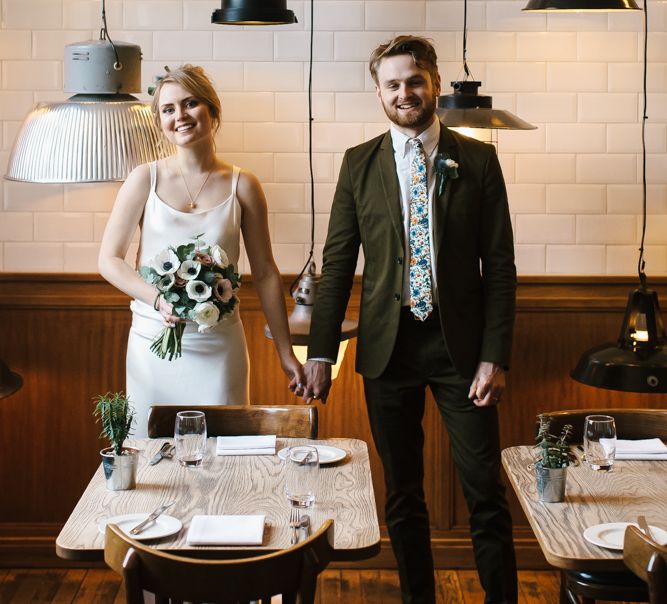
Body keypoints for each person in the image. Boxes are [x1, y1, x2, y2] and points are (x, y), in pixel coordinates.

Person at [300, 36, 518, 603]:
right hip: (387, 349)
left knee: (485, 491)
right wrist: (321, 354)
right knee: (402, 493)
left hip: (462, 352)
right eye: (392, 84)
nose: (405, 93)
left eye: (414, 81)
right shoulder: (357, 163)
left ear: (436, 84)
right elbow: (339, 262)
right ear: (378, 91)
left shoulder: (478, 160)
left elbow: (499, 266)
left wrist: (495, 355)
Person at [99, 64, 303, 437]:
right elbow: (108, 261)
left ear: (212, 110)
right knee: (152, 455)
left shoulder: (244, 185)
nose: (180, 116)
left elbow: (267, 272)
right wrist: (158, 298)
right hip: (152, 346)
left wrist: (286, 353)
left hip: (219, 347)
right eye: (169, 109)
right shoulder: (144, 179)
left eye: (190, 103)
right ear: (159, 120)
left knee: (223, 453)